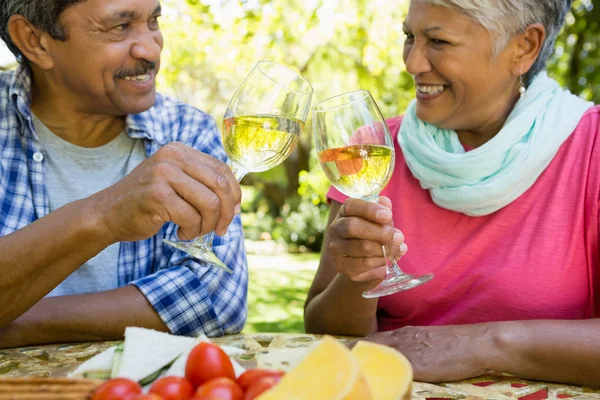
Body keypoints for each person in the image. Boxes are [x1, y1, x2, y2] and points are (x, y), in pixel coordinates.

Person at [305, 0, 600, 387]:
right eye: (410, 36)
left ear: (524, 47)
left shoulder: (591, 148)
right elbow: (324, 331)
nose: (412, 63)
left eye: (439, 41)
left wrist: (481, 346)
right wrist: (360, 277)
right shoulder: (374, 148)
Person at [0, 0, 248, 349]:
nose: (151, 48)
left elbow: (218, 298)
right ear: (34, 41)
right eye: (120, 26)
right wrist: (102, 215)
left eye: (153, 20)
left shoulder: (188, 131)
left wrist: (12, 318)